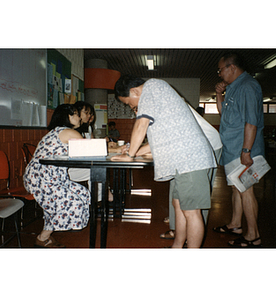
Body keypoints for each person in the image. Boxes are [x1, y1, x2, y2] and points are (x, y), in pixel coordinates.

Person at [111, 75, 217, 248]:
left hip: (190, 159)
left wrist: (130, 155)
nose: (131, 107)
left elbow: (141, 124)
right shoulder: (156, 96)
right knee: (178, 205)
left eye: (128, 103)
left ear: (134, 91)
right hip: (182, 161)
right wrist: (133, 150)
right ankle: (177, 246)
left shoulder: (152, 87)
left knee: (191, 211)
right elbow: (155, 142)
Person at [213, 52, 265, 247]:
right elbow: (223, 113)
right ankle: (235, 224)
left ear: (231, 67)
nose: (219, 74)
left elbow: (251, 122)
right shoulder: (233, 88)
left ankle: (254, 235)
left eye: (221, 70)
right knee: (237, 188)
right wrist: (219, 94)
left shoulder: (248, 86)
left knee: (246, 190)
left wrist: (246, 151)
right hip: (232, 148)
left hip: (243, 150)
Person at [23, 104, 91, 248]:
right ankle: (43, 237)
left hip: (50, 177)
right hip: (42, 178)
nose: (79, 117)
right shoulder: (67, 132)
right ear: (68, 117)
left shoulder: (59, 131)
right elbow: (91, 150)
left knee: (82, 193)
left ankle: (44, 237)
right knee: (72, 200)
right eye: (76, 114)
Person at [160, 104, 222, 240]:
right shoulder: (165, 103)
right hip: (190, 147)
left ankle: (191, 235)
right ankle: (179, 232)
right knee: (177, 193)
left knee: (198, 198)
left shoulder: (167, 105)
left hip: (208, 144)